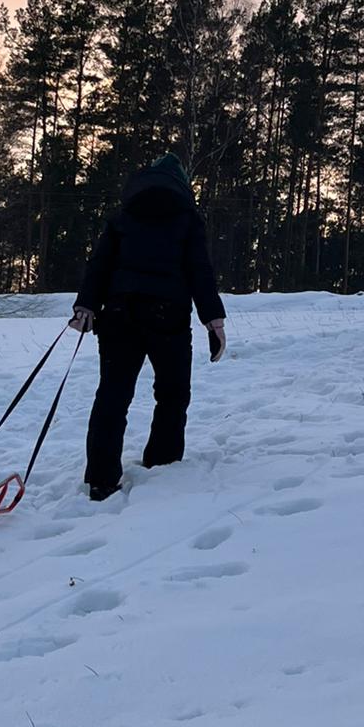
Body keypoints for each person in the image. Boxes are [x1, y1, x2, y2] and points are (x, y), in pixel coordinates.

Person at [70, 154, 227, 501]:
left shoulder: (123, 215)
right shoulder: (187, 218)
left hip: (118, 313)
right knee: (172, 393)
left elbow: (99, 264)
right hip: (167, 315)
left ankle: (101, 479)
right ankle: (163, 464)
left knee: (112, 394)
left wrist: (85, 306)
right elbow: (199, 270)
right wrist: (213, 321)